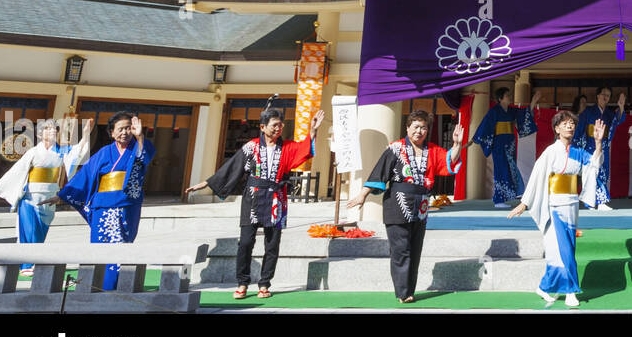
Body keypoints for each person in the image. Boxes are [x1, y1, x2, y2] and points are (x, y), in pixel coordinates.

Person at [186, 105, 324, 299]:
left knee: (272, 244)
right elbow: (232, 167)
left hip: (277, 198)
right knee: (245, 242)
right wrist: (207, 183)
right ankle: (242, 283)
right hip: (252, 197)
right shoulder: (251, 146)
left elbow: (304, 148)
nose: (278, 128)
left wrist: (313, 130)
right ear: (262, 127)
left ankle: (264, 284)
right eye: (274, 125)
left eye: (281, 125)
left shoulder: (287, 147)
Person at [348, 109, 465, 303]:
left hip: (421, 206)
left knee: (415, 249)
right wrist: (363, 195)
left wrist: (457, 144)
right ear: (408, 127)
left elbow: (449, 162)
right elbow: (379, 173)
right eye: (416, 127)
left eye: (424, 128)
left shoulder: (433, 150)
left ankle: (410, 290)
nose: (419, 131)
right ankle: (403, 293)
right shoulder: (395, 148)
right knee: (401, 249)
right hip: (397, 203)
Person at [47, 112, 154, 291]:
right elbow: (85, 175)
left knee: (121, 246)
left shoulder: (138, 147)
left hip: (126, 205)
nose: (125, 132)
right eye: (120, 129)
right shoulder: (104, 153)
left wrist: (140, 136)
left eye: (129, 128)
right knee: (100, 248)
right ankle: (98, 286)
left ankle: (115, 286)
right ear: (111, 133)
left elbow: (144, 158)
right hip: (102, 207)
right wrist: (62, 195)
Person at [508, 111, 603, 307]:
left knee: (562, 250)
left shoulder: (578, 152)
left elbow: (594, 165)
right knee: (563, 250)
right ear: (557, 129)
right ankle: (570, 291)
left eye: (572, 124)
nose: (570, 126)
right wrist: (524, 203)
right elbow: (536, 177)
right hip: (554, 206)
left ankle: (544, 286)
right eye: (565, 123)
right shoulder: (550, 152)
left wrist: (599, 143)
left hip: (571, 205)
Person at [0, 118, 92, 273]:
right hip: (30, 197)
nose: (53, 131)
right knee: (29, 231)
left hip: (49, 196)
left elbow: (78, 150)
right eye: (48, 129)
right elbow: (15, 172)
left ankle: (32, 261)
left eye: (54, 129)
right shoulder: (33, 152)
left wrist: (85, 134)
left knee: (40, 232)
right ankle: (26, 265)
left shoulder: (61, 151)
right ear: (41, 134)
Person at [471, 88, 539, 207]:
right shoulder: (494, 111)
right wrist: (473, 140)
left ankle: (508, 196)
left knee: (511, 170)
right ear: (500, 98)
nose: (510, 97)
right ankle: (498, 199)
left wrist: (533, 101)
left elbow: (525, 114)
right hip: (499, 145)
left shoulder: (512, 111)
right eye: (507, 95)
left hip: (510, 144)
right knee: (501, 170)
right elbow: (484, 126)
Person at [573, 86, 626, 210]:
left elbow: (618, 120)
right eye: (603, 94)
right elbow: (580, 128)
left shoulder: (609, 113)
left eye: (608, 95)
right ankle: (594, 201)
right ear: (597, 96)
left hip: (603, 147)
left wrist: (621, 106)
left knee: (602, 173)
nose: (605, 97)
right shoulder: (588, 111)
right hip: (589, 147)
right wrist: (575, 144)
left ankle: (598, 202)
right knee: (591, 173)